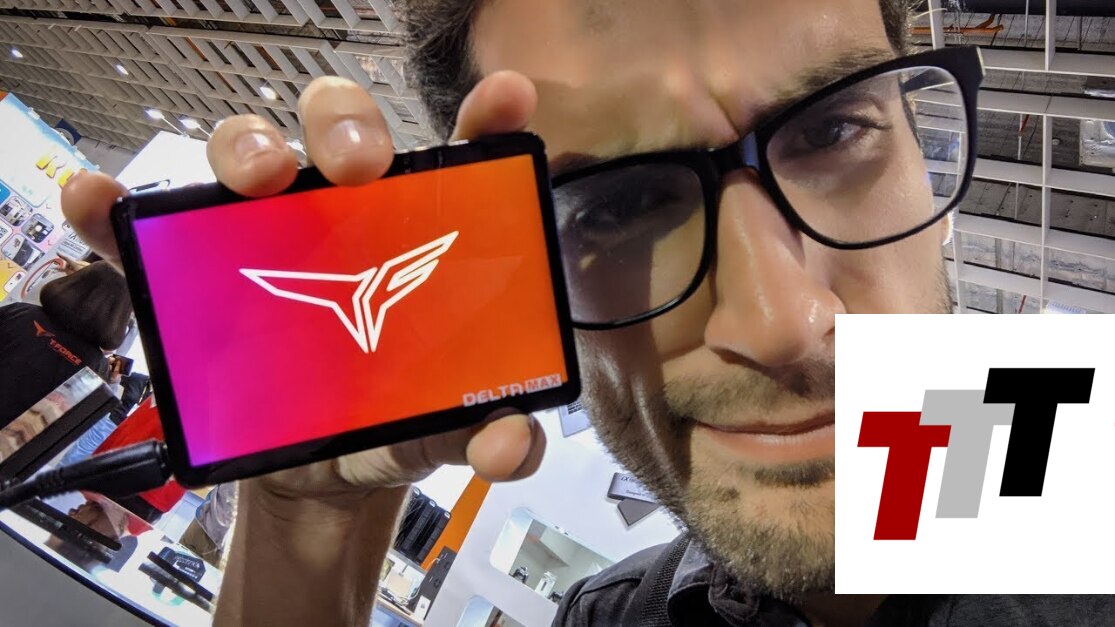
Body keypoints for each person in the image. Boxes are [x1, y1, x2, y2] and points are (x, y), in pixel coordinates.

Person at [61, 1, 1109, 625]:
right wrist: (308, 528)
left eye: (834, 131)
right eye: (617, 204)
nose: (783, 319)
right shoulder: (611, 618)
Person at [0, 261, 131, 429]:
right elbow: (69, 425)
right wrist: (111, 382)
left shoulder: (21, 313)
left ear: (76, 284)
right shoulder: (96, 365)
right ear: (120, 313)